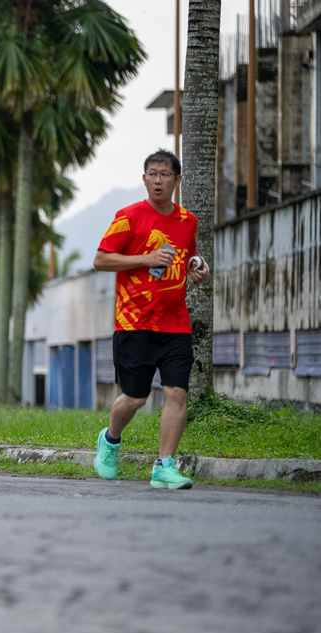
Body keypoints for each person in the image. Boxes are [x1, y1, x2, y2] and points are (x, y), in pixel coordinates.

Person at [92, 149, 210, 490]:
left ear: (177, 180)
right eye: (153, 174)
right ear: (144, 179)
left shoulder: (188, 221)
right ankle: (110, 440)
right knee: (135, 398)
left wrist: (196, 267)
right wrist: (145, 259)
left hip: (175, 324)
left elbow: (186, 255)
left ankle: (164, 466)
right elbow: (101, 260)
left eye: (165, 174)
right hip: (135, 322)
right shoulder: (129, 216)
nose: (158, 180)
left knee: (177, 394)